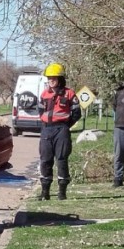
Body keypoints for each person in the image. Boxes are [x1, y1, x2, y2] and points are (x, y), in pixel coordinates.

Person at [37, 62, 81, 200]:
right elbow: (40, 111)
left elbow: (76, 113)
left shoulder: (69, 93)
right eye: (49, 78)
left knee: (61, 159)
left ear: (60, 79)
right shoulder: (44, 94)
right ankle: (45, 192)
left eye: (54, 78)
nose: (51, 80)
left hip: (62, 129)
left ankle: (62, 192)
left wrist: (66, 125)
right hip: (46, 129)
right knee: (45, 160)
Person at [113, 83, 124, 187]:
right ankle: (118, 178)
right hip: (120, 126)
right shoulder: (119, 91)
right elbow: (114, 107)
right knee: (119, 153)